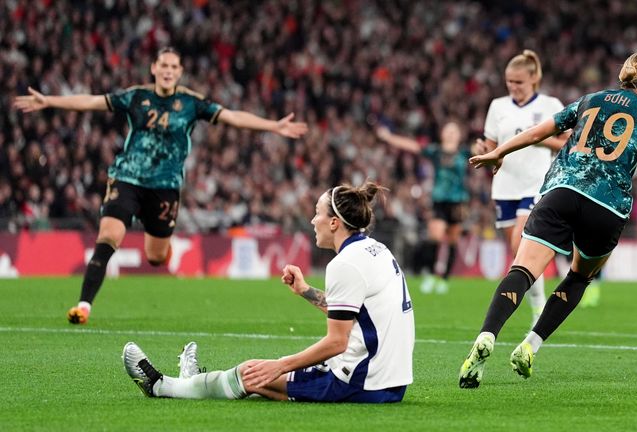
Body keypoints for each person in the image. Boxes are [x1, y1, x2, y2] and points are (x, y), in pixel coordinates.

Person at [459, 52, 637, 388]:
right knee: (578, 277)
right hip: (606, 207)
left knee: (522, 270)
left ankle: (488, 336)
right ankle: (530, 344)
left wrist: (499, 151)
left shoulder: (590, 100)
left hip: (562, 191)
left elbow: (540, 131)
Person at [12, 47, 308, 325]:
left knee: (156, 257)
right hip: (127, 178)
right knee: (108, 237)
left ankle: (161, 244)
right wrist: (50, 101)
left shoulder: (191, 103)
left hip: (165, 188)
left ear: (179, 72)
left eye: (173, 67)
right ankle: (84, 305)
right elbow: (91, 101)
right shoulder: (136, 97)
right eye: (163, 65)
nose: (167, 71)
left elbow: (232, 117)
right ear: (154, 68)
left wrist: (273, 125)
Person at [122, 181, 415, 403]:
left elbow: (337, 342)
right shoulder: (377, 250)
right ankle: (196, 382)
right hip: (390, 381)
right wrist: (304, 290)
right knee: (263, 381)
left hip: (362, 382)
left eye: (317, 214)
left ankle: (162, 386)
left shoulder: (344, 264)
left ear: (335, 222)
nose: (313, 221)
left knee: (253, 373)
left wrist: (279, 365)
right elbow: (355, 316)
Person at [478, 49, 569, 326]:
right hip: (505, 185)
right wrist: (482, 149)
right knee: (519, 253)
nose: (513, 87)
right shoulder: (497, 106)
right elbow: (491, 145)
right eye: (509, 81)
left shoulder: (550, 104)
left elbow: (567, 142)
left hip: (536, 183)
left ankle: (540, 310)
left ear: (533, 79)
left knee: (522, 241)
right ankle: (538, 306)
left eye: (519, 81)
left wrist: (539, 139)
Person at [376, 121, 470, 294]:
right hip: (439, 200)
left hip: (458, 202)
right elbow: (413, 146)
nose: (450, 133)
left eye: (454, 131)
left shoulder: (465, 152)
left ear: (459, 135)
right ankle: (432, 274)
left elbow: (485, 151)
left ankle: (444, 279)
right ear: (442, 134)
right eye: (447, 130)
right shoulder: (436, 152)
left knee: (452, 241)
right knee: (435, 236)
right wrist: (389, 137)